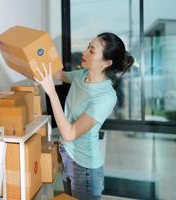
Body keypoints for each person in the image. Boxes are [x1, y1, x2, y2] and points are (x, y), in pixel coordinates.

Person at [34, 32, 134, 200]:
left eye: (92, 51)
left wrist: (51, 92)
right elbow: (59, 74)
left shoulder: (106, 96)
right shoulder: (81, 76)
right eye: (88, 46)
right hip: (67, 158)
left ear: (106, 63)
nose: (85, 52)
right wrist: (37, 54)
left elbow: (70, 133)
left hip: (85, 169)